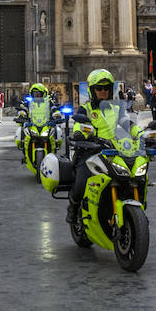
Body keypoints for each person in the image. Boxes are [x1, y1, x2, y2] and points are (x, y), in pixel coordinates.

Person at [68, 69, 121, 220]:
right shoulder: (87, 108)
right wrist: (80, 134)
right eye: (99, 88)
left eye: (106, 88)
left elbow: (129, 125)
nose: (103, 91)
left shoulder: (117, 109)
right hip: (91, 151)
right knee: (82, 181)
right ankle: (73, 206)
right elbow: (79, 123)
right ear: (93, 90)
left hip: (113, 153)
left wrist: (142, 135)